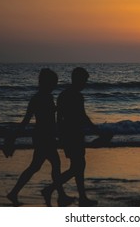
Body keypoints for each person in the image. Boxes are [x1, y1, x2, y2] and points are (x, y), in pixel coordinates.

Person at [42, 67, 109, 207]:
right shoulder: (76, 96)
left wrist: (59, 134)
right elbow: (83, 117)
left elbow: (58, 117)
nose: (85, 83)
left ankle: (81, 197)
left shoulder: (63, 95)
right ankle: (50, 189)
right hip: (74, 135)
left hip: (68, 134)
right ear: (78, 80)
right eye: (84, 80)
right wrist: (97, 132)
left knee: (78, 166)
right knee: (77, 167)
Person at [6, 68, 74, 207]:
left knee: (37, 166)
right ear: (46, 83)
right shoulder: (40, 98)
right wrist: (13, 138)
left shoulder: (43, 97)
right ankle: (59, 195)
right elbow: (27, 120)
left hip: (43, 136)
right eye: (53, 83)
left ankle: (15, 192)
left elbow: (39, 118)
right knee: (52, 165)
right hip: (43, 137)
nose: (55, 86)